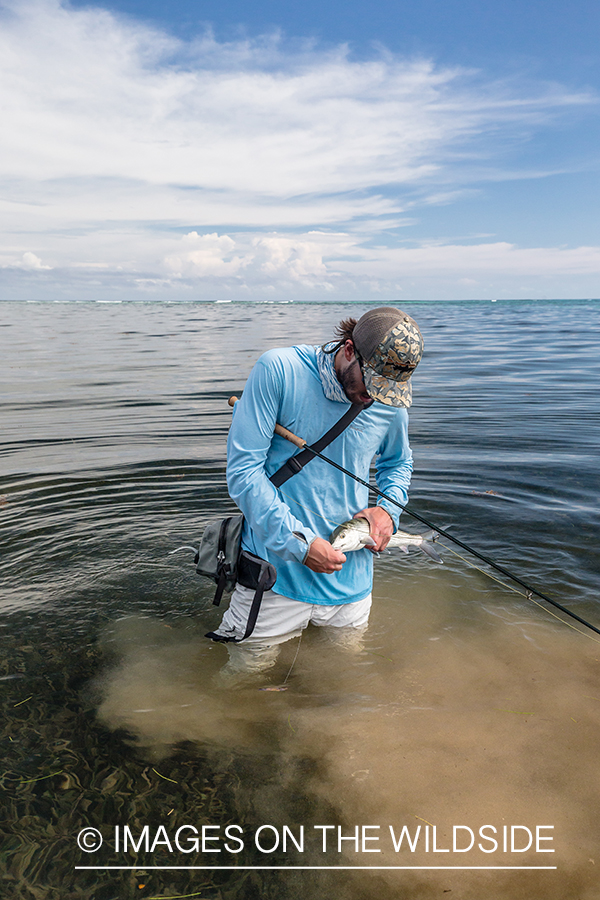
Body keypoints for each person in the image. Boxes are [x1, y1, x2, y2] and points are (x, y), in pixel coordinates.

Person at [210, 306, 423, 674]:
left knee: (345, 681)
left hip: (351, 582)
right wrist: (299, 544)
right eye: (370, 385)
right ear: (348, 350)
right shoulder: (278, 370)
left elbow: (397, 464)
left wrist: (388, 510)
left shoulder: (390, 400)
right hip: (274, 576)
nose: (375, 398)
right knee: (241, 682)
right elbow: (244, 472)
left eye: (387, 391)